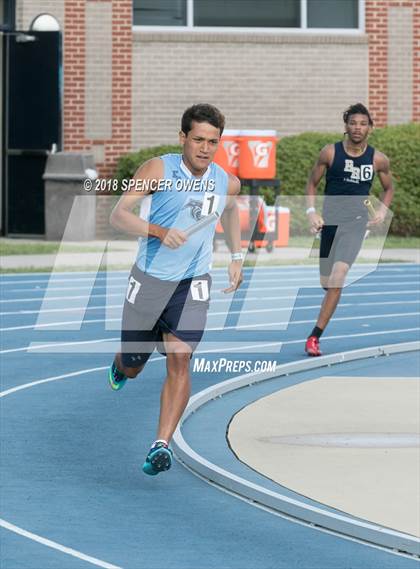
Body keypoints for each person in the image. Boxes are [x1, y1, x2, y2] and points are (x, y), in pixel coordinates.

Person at [108, 103, 243, 475]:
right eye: (198, 139)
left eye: (212, 142)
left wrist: (237, 256)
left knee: (180, 357)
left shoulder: (225, 181)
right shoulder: (158, 169)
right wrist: (159, 231)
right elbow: (119, 215)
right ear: (182, 137)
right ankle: (123, 363)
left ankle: (160, 444)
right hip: (149, 280)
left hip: (193, 282)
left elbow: (231, 211)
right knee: (133, 366)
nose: (204, 148)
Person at [305, 103, 394, 356]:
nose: (357, 128)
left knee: (338, 277)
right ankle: (329, 293)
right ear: (346, 126)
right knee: (326, 282)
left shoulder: (377, 159)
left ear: (370, 128)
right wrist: (312, 212)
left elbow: (389, 189)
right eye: (353, 123)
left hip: (356, 224)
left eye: (363, 124)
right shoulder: (330, 153)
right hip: (329, 224)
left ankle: (314, 336)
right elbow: (312, 184)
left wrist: (380, 211)